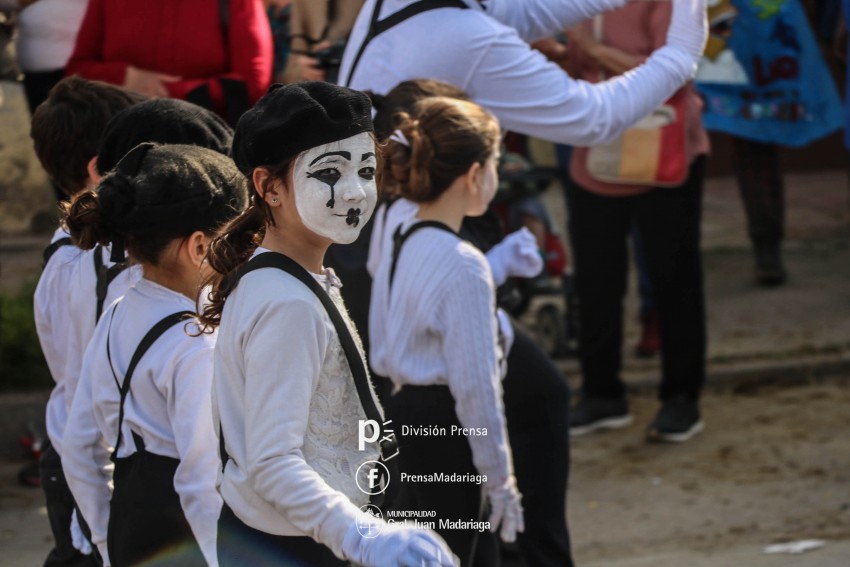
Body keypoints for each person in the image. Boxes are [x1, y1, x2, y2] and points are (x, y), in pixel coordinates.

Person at [198, 81, 456, 567]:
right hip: (296, 547)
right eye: (329, 173)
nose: (356, 191)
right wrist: (359, 535)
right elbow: (272, 463)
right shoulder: (287, 303)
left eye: (365, 169)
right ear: (269, 187)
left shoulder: (295, 278)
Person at [366, 79, 573, 567]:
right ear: (475, 173)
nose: (498, 175)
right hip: (446, 429)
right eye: (497, 164)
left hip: (404, 419)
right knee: (467, 556)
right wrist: (501, 483)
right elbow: (478, 388)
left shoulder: (401, 226)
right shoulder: (463, 263)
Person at [62, 143, 249, 567]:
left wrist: (106, 541)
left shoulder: (117, 312)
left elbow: (79, 446)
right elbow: (203, 484)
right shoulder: (196, 346)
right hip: (188, 540)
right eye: (237, 238)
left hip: (131, 525)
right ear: (200, 246)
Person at [563, 3, 710, 442]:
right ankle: (601, 395)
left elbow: (675, 71)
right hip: (596, 149)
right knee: (595, 278)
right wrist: (554, 52)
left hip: (665, 151)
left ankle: (682, 399)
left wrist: (591, 47)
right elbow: (578, 64)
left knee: (674, 278)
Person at [29, 75, 145, 567]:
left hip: (73, 458)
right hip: (97, 467)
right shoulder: (98, 266)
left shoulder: (62, 258)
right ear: (101, 170)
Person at [65, 0, 273, 126]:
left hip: (207, 151)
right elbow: (76, 72)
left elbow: (252, 81)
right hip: (121, 151)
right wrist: (125, 77)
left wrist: (167, 92)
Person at [282, 0, 364, 84]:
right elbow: (293, 62)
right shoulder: (303, 4)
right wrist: (300, 71)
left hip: (359, 78)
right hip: (315, 85)